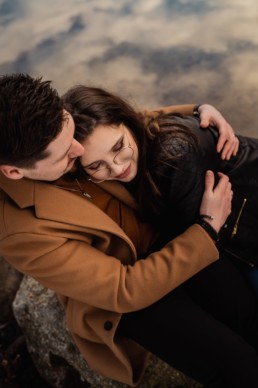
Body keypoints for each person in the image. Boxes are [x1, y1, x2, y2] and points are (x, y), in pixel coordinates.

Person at [0, 73, 251, 388]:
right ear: (14, 172)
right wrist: (207, 228)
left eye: (71, 132)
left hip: (166, 238)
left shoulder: (52, 134)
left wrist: (196, 111)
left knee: (247, 313)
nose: (79, 150)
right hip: (130, 296)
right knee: (235, 363)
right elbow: (123, 289)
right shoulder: (18, 232)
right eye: (65, 154)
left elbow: (114, 124)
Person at [64, 85, 258, 294]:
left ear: (126, 122)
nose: (117, 167)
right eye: (95, 166)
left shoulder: (174, 158)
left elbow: (202, 246)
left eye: (118, 147)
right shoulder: (131, 149)